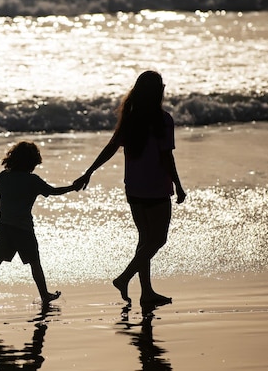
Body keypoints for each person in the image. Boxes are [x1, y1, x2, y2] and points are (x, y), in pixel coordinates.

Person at [73, 70, 186, 311]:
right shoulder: (163, 119)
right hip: (156, 187)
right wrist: (178, 185)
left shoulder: (131, 118)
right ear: (159, 92)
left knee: (145, 240)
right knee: (157, 240)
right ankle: (124, 278)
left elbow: (111, 146)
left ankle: (146, 293)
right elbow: (167, 156)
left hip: (134, 187)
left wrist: (89, 171)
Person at [0, 141, 80, 308]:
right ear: (32, 162)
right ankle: (44, 295)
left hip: (4, 228)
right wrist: (72, 188)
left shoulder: (4, 176)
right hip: (24, 230)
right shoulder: (33, 180)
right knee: (35, 263)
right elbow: (53, 191)